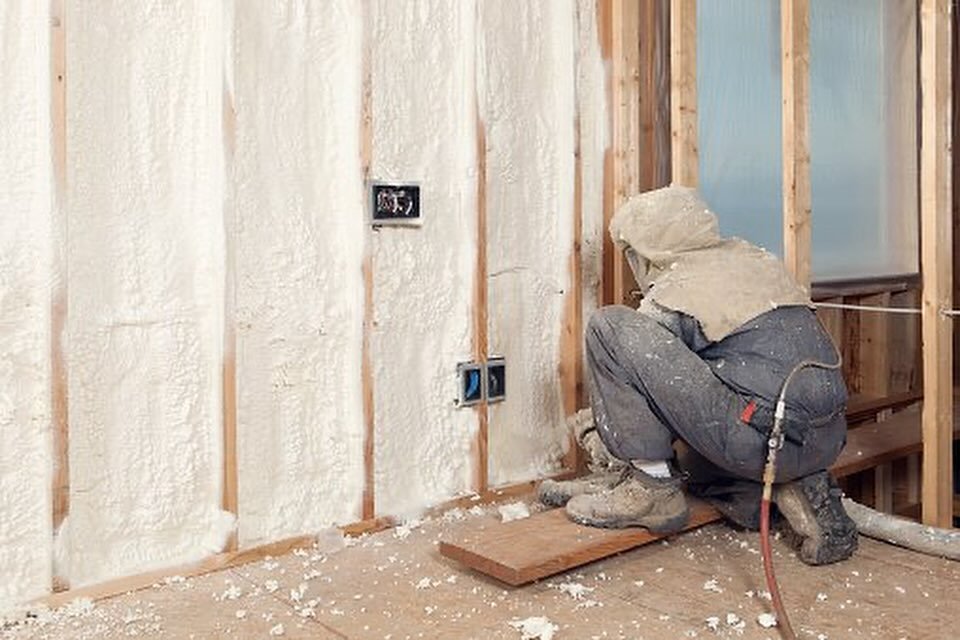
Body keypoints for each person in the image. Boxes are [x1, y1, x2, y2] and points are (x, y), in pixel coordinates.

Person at [539, 185, 857, 565]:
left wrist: (600, 433)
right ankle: (783, 490)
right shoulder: (755, 260)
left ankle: (651, 490)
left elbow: (637, 375)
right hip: (823, 439)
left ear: (647, 250)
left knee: (610, 328)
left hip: (759, 442)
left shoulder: (680, 289)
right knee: (694, 463)